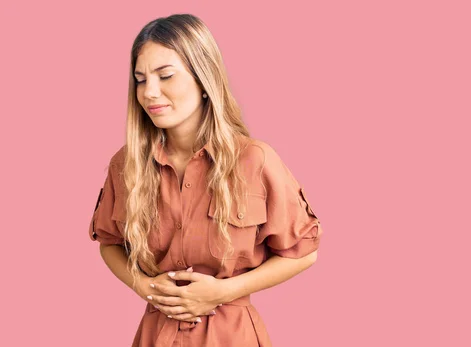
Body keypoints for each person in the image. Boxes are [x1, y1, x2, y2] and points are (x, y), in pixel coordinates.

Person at [87, 13, 323, 347]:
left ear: (203, 80)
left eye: (165, 76)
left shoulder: (255, 160)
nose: (149, 92)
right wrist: (142, 285)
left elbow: (303, 252)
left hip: (232, 336)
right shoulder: (126, 164)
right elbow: (109, 242)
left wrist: (224, 291)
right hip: (156, 336)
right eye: (140, 79)